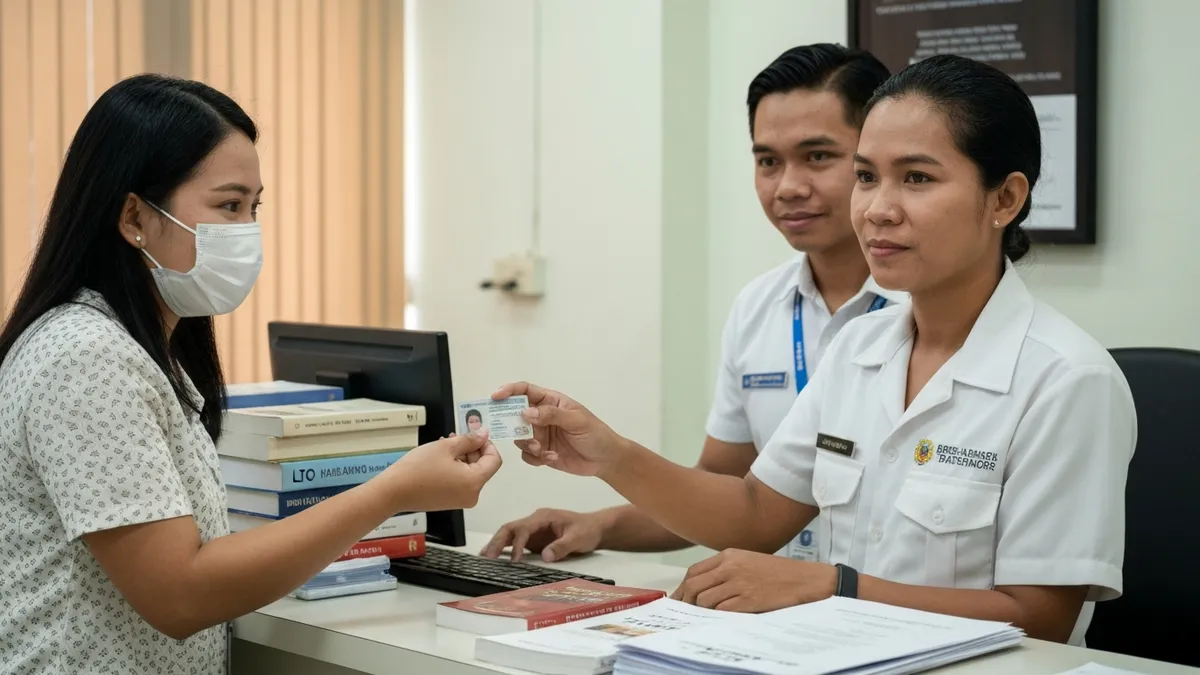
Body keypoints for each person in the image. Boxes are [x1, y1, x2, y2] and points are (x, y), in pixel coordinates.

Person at [491, 54, 1136, 645]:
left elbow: (1041, 617)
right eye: (866, 176)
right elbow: (753, 514)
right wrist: (609, 452)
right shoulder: (859, 346)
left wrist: (834, 586)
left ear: (1005, 198)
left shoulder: (1066, 378)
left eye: (916, 177)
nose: (878, 209)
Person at [0, 74, 501, 674]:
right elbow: (179, 594)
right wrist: (392, 490)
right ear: (134, 215)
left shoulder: (141, 350)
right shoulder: (87, 358)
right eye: (228, 205)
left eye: (253, 207)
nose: (247, 232)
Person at [482, 43, 901, 565]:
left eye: (818, 156)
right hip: (783, 617)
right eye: (768, 161)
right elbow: (724, 490)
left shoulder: (927, 312)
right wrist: (597, 525)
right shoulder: (759, 308)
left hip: (900, 622)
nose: (789, 186)